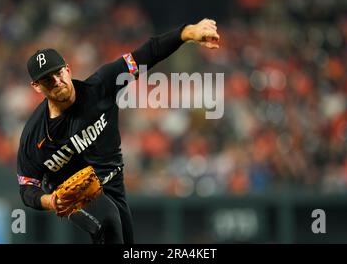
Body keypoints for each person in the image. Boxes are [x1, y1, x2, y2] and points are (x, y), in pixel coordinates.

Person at [16, 18, 220, 244]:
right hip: (75, 193)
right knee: (109, 222)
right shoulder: (34, 137)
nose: (56, 81)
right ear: (36, 87)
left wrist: (187, 32)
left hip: (113, 181)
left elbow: (146, 54)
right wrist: (50, 201)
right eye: (46, 80)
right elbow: (27, 187)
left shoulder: (101, 86)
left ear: (68, 69)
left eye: (58, 73)